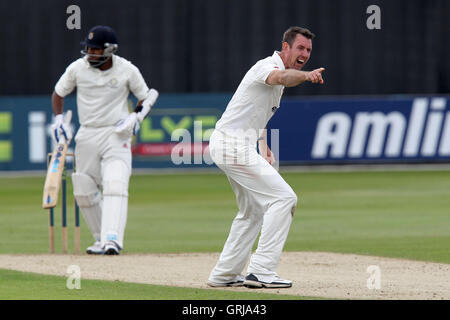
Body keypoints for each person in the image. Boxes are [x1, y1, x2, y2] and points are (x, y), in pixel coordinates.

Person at [207, 26, 325, 288]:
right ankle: (261, 270)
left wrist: (264, 146)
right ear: (285, 47)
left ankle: (225, 274)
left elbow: (257, 113)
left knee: (252, 211)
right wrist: (305, 76)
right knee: (284, 199)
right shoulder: (266, 66)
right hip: (231, 145)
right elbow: (281, 76)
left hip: (235, 144)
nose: (305, 53)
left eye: (308, 50)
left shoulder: (277, 78)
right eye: (300, 48)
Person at [51, 25, 159, 255]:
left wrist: (136, 117)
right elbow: (59, 93)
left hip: (115, 133)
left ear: (109, 50)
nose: (91, 53)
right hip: (87, 132)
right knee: (82, 187)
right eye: (88, 48)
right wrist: (59, 120)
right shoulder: (77, 68)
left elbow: (146, 96)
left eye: (96, 50)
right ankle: (100, 239)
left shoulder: (127, 69)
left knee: (115, 183)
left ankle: (113, 239)